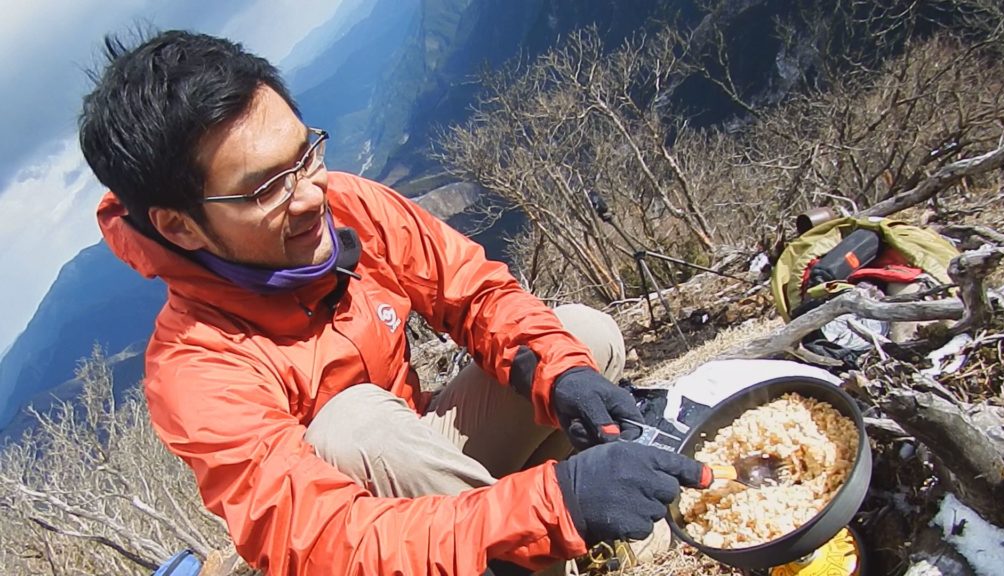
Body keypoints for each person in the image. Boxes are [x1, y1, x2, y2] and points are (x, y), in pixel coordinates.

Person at [80, 30, 712, 576]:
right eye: (266, 188)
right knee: (354, 424)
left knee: (582, 335)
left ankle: (552, 546)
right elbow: (322, 539)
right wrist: (555, 503)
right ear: (181, 227)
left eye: (305, 154)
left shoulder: (346, 206)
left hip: (422, 462)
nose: (309, 195)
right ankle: (541, 551)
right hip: (361, 543)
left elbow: (474, 292)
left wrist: (557, 370)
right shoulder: (195, 367)